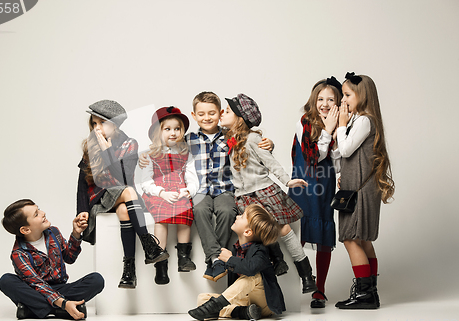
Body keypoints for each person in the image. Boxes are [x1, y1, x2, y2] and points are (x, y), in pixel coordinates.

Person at [139, 92, 273, 282]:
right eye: (201, 114)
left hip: (224, 188)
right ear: (194, 116)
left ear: (219, 114)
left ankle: (213, 258)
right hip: (199, 190)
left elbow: (249, 144)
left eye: (211, 113)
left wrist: (269, 144)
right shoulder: (188, 139)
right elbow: (164, 143)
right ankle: (216, 257)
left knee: (227, 211)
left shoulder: (230, 138)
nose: (207, 118)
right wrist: (145, 155)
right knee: (199, 210)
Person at [220, 93, 317, 294]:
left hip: (264, 191)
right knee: (256, 232)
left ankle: (306, 275)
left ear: (239, 118)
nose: (222, 112)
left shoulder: (254, 139)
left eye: (228, 110)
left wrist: (287, 181)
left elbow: (271, 163)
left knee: (283, 229)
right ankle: (276, 261)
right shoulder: (227, 138)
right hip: (244, 196)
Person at [77, 100, 168, 289]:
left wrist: (108, 152)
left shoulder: (129, 144)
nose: (97, 128)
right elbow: (82, 182)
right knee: (128, 192)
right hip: (100, 197)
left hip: (122, 194)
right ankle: (149, 246)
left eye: (102, 123)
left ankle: (129, 272)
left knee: (125, 211)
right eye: (94, 123)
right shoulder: (90, 145)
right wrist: (81, 210)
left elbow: (123, 178)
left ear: (115, 125)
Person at [335, 73, 395, 309]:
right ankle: (370, 293)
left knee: (351, 237)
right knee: (362, 238)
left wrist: (340, 126)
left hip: (360, 191)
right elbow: (347, 158)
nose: (343, 100)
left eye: (347, 95)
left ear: (363, 96)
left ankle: (364, 294)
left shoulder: (364, 120)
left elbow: (347, 149)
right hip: (358, 187)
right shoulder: (358, 120)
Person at [0, 199, 104, 320]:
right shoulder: (19, 253)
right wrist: (64, 304)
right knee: (6, 281)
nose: (43, 213)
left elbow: (69, 258)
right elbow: (37, 284)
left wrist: (76, 233)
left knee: (96, 280)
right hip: (35, 291)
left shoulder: (53, 232)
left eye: (38, 209)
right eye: (36, 214)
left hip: (60, 288)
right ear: (26, 230)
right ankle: (63, 310)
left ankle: (32, 310)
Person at [288, 77, 342, 308]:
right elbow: (313, 157)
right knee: (295, 232)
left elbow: (337, 162)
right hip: (303, 181)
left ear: (338, 102)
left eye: (330, 99)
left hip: (324, 184)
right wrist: (328, 131)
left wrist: (337, 133)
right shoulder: (305, 122)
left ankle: (319, 289)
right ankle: (293, 284)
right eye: (320, 99)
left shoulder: (342, 124)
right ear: (313, 100)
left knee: (322, 236)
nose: (325, 104)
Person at [188, 204, 285, 320]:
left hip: (264, 303)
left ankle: (217, 307)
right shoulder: (236, 249)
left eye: (242, 217)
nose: (238, 216)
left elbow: (250, 268)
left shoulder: (261, 250)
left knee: (253, 276)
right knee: (202, 299)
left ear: (248, 232)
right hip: (246, 301)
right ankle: (243, 312)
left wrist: (230, 259)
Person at [140, 106, 199, 284]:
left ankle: (183, 257)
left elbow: (192, 178)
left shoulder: (185, 153)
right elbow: (145, 182)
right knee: (162, 215)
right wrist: (161, 193)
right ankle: (161, 263)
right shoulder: (150, 155)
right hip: (159, 192)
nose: (173, 133)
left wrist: (188, 191)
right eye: (167, 129)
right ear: (158, 132)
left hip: (179, 191)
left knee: (185, 210)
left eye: (177, 129)